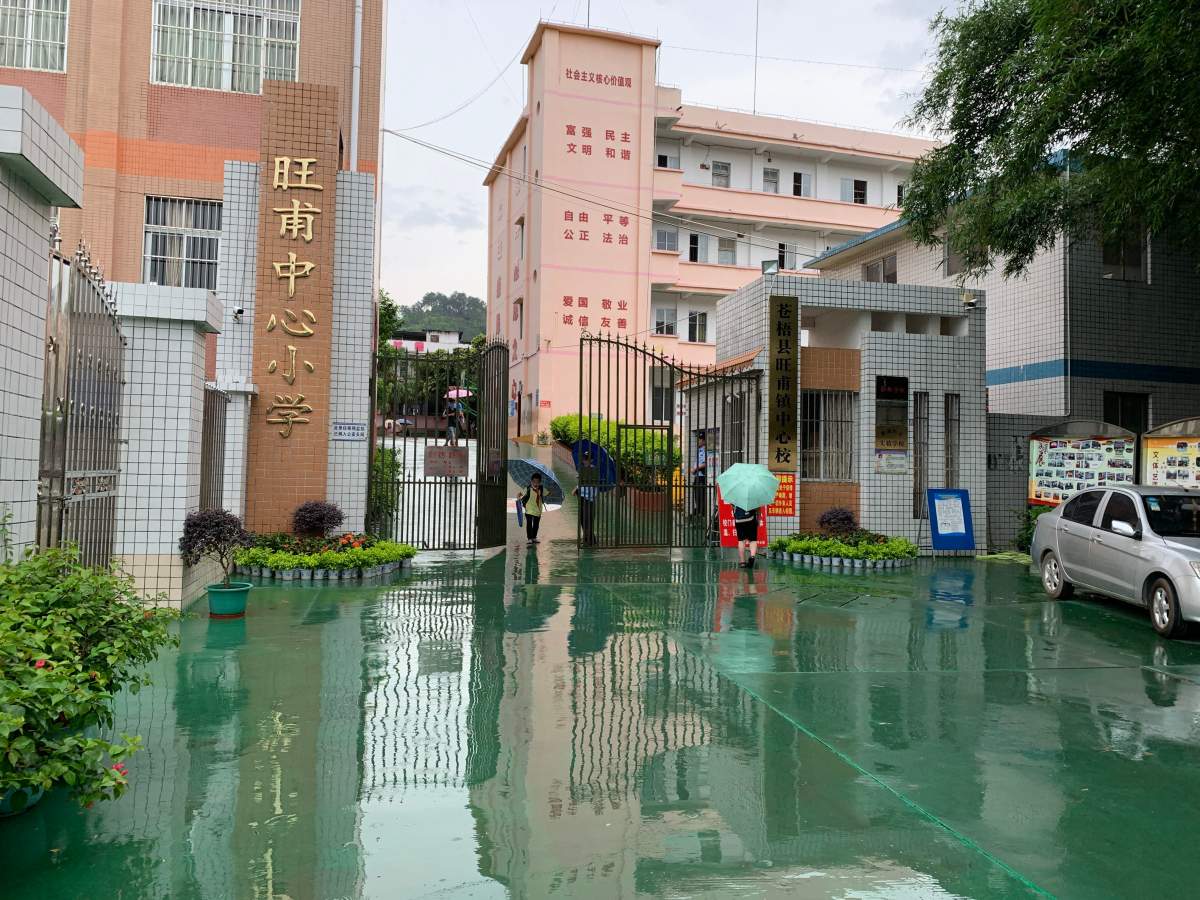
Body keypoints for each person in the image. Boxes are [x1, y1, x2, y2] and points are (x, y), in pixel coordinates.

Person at [574, 450, 599, 546]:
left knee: (588, 519)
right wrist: (576, 488)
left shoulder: (594, 469)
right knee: (582, 519)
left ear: (591, 460)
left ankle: (591, 540)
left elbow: (593, 484)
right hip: (581, 496)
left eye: (587, 459)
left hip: (589, 498)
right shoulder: (582, 469)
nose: (585, 461)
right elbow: (581, 483)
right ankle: (587, 538)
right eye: (584, 459)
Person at [518, 473, 545, 543]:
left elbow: (548, 493)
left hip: (538, 510)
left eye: (537, 482)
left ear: (540, 482)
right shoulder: (528, 488)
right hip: (529, 509)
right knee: (529, 523)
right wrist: (518, 497)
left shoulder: (541, 489)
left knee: (536, 524)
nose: (536, 483)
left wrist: (552, 490)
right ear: (531, 481)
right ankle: (529, 538)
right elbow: (520, 494)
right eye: (534, 482)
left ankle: (534, 537)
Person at [690, 433, 708, 517]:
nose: (698, 441)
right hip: (697, 476)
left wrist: (696, 468)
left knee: (701, 495)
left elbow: (705, 463)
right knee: (696, 495)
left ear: (704, 441)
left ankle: (702, 512)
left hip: (702, 476)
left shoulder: (705, 450)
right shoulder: (699, 450)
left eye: (700, 440)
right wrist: (693, 469)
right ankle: (698, 510)